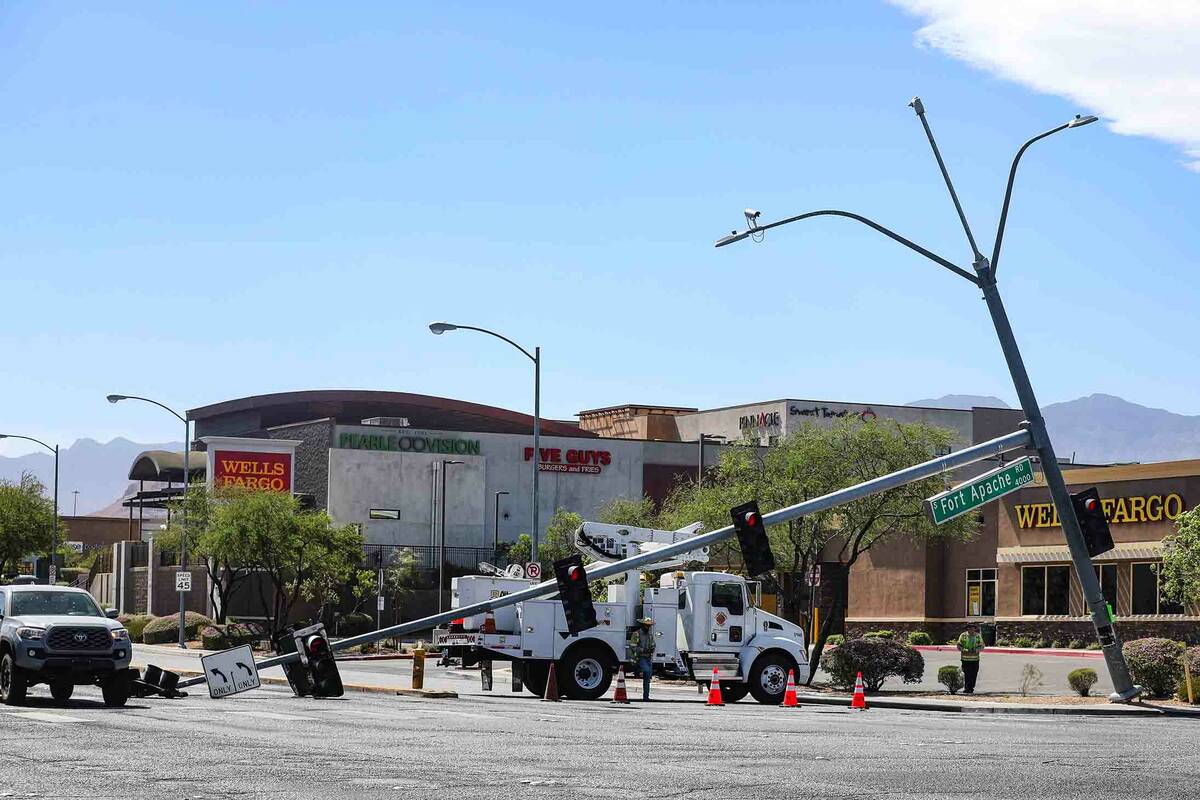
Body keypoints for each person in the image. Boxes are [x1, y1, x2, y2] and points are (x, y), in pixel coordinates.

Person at [629, 617, 656, 701]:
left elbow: (653, 645)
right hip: (639, 657)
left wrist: (652, 648)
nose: (648, 627)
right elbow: (633, 646)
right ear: (643, 625)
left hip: (647, 658)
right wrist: (642, 650)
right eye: (646, 625)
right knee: (647, 671)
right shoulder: (636, 634)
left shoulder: (650, 635)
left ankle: (646, 697)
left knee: (648, 677)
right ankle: (637, 671)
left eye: (649, 626)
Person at [957, 622, 985, 694]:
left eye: (973, 628)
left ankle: (971, 687)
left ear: (975, 629)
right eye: (969, 627)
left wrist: (976, 650)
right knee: (967, 674)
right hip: (965, 659)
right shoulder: (963, 635)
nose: (971, 629)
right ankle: (967, 688)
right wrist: (965, 650)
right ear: (967, 628)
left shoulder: (978, 636)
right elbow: (959, 646)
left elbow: (982, 646)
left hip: (975, 659)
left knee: (974, 674)